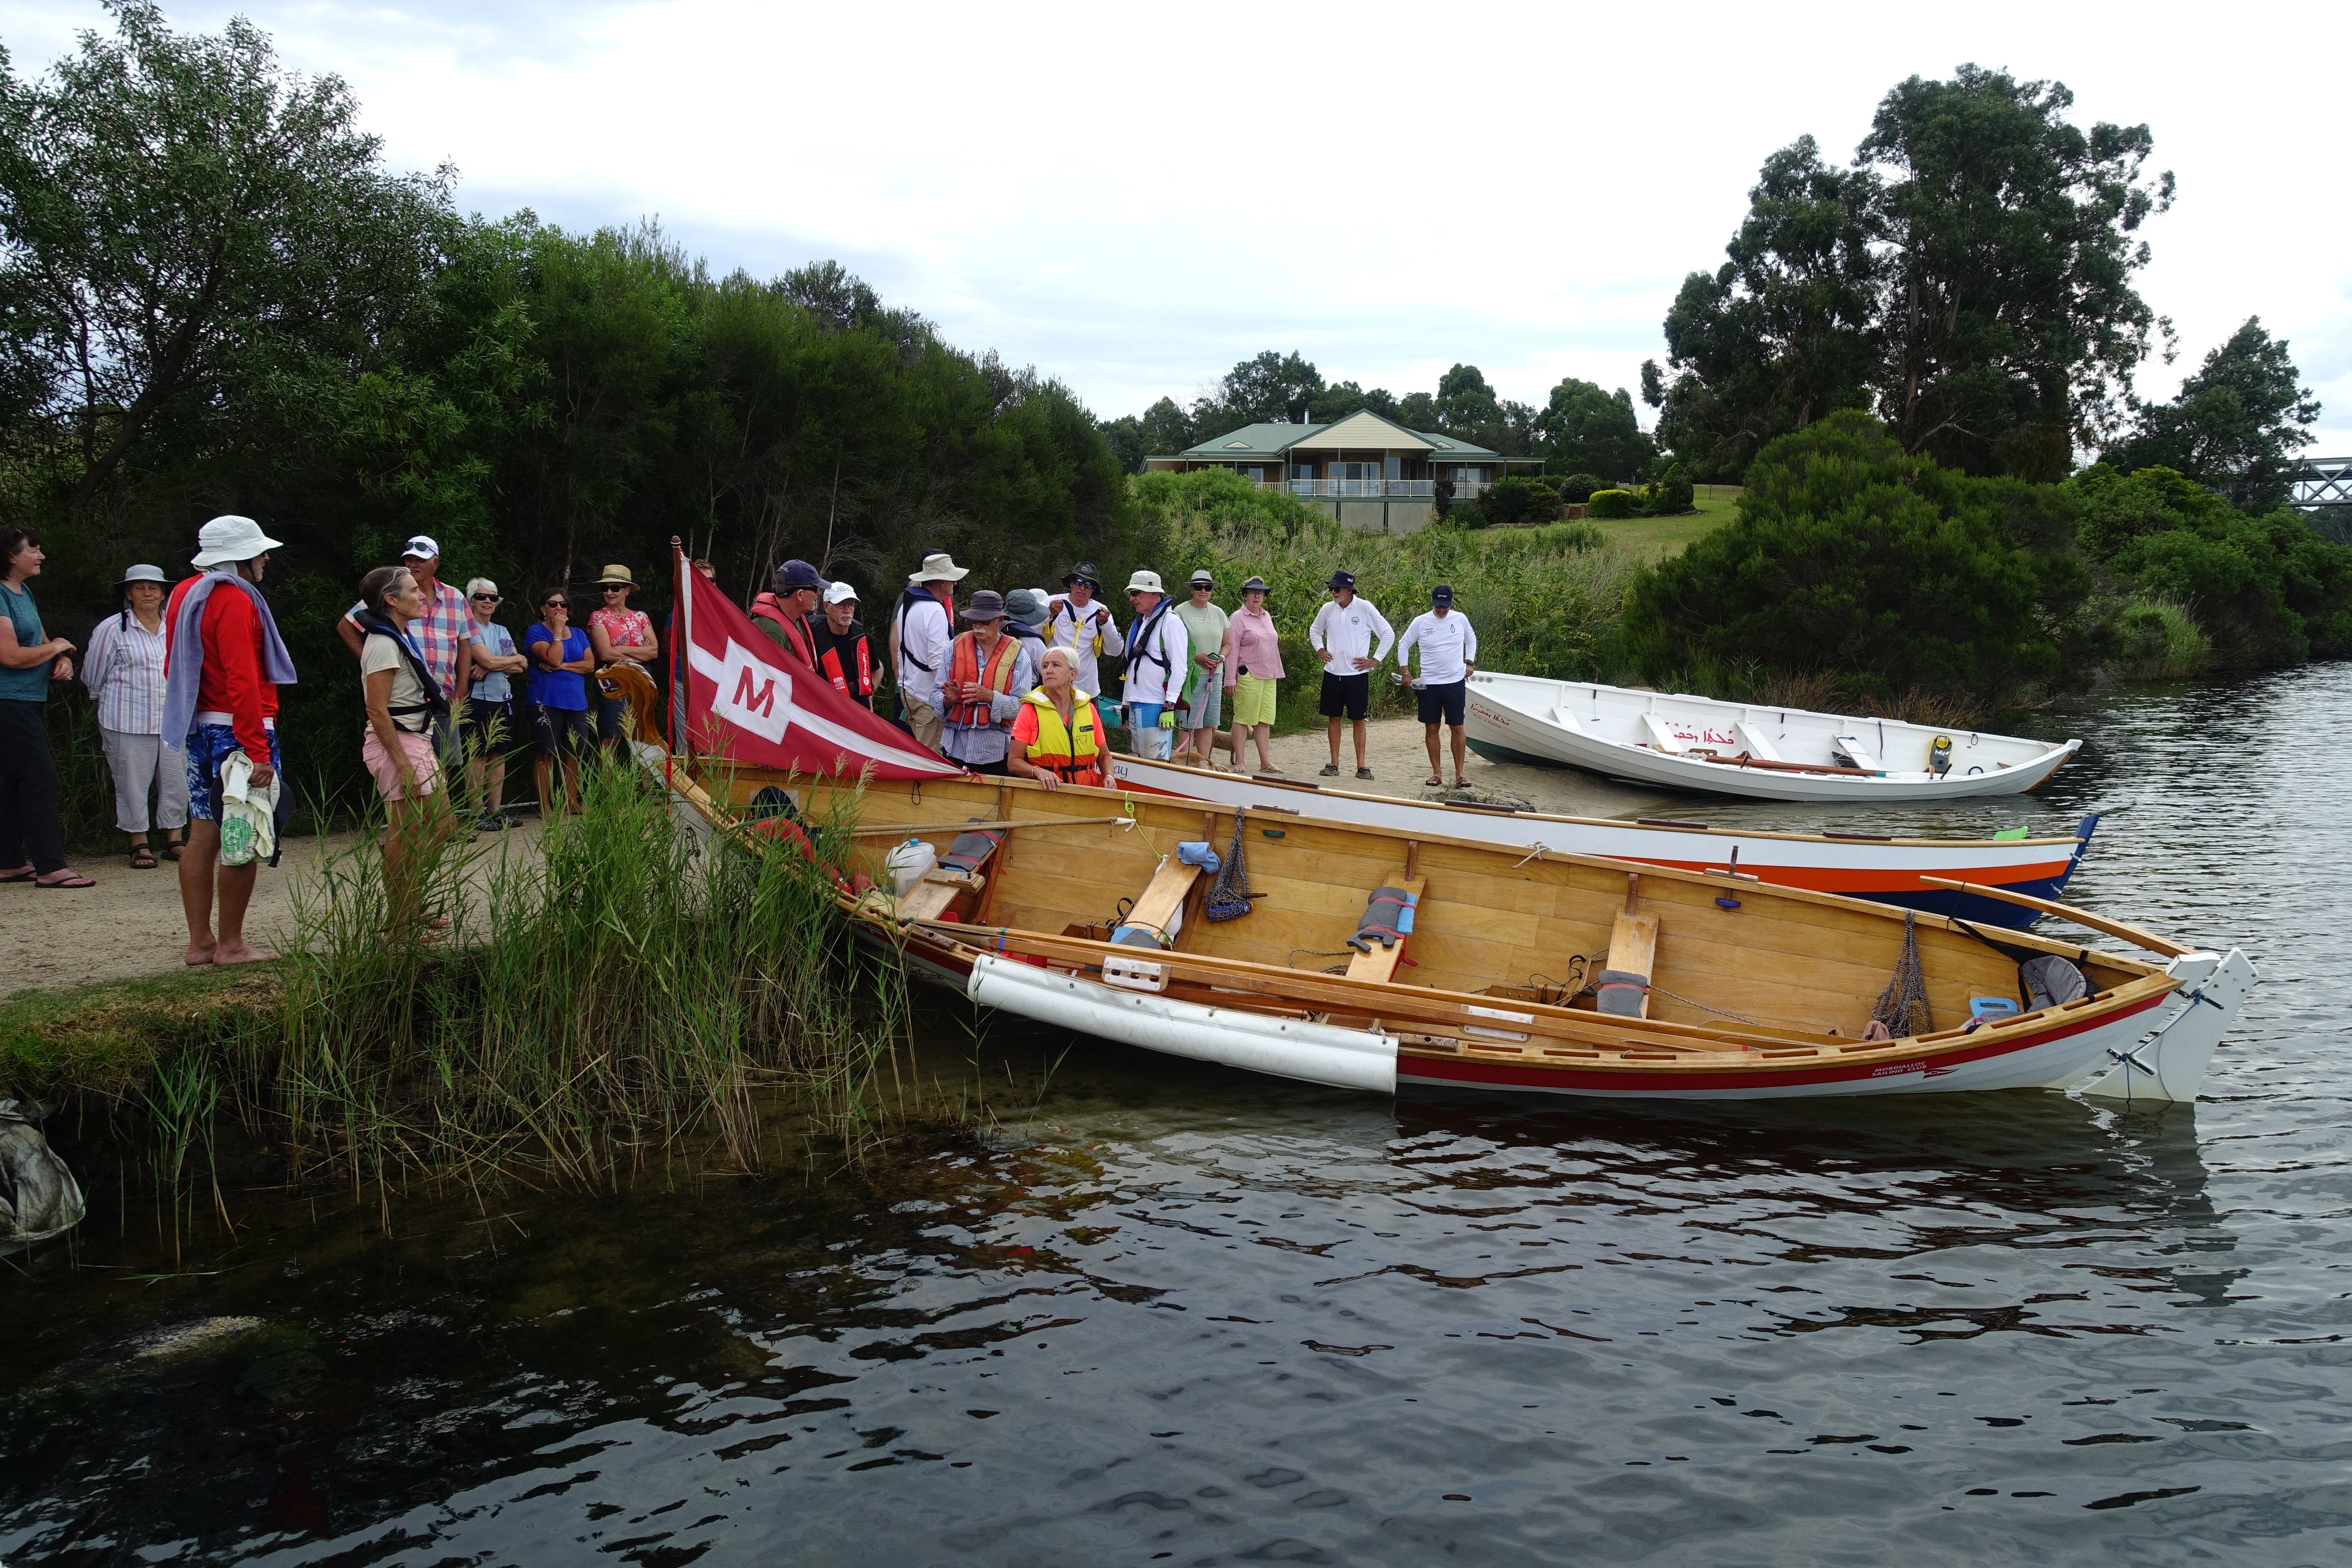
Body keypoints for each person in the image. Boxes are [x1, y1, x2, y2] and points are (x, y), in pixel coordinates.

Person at [162, 515, 298, 964]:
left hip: (199, 724)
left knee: (203, 833)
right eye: (259, 552)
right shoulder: (234, 598)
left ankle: (200, 942)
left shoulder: (185, 592)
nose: (265, 558)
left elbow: (173, 663)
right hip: (238, 729)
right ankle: (231, 945)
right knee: (243, 831)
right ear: (239, 557)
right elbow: (242, 677)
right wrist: (258, 750)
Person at [356, 564, 456, 937]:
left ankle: (412, 903)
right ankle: (401, 923)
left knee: (442, 825)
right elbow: (376, 709)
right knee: (407, 831)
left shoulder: (399, 636)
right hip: (398, 744)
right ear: (391, 600)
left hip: (416, 740)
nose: (422, 596)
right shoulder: (383, 644)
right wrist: (402, 764)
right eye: (413, 591)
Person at [0, 526, 91, 889]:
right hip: (8, 702)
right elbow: (11, 656)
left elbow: (41, 644)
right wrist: (57, 648)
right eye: (33, 550)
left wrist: (61, 657)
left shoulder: (23, 593)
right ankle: (51, 867)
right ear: (11, 556)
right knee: (40, 777)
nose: (41, 556)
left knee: (11, 780)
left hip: (29, 700)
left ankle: (7, 863)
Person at [82, 563, 190, 868]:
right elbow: (93, 674)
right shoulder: (113, 628)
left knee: (177, 780)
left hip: (173, 719)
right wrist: (104, 700)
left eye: (154, 587)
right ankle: (139, 842)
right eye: (140, 588)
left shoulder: (178, 625)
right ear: (129, 594)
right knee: (132, 783)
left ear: (164, 594)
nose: (147, 593)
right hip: (127, 719)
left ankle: (175, 839)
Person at [337, 534, 478, 726]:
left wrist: (462, 689)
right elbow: (346, 626)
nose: (413, 565)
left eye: (420, 560)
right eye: (409, 559)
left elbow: (464, 644)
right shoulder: (393, 594)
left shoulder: (455, 597)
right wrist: (374, 664)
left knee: (447, 748)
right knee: (405, 745)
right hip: (405, 701)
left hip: (444, 699)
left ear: (436, 563)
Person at [1308, 570, 1394, 780]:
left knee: (1358, 719)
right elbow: (1315, 630)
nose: (1333, 592)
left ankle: (1362, 766)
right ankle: (1334, 763)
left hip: (1357, 674)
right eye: (1331, 588)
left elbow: (1387, 633)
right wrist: (1320, 650)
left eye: (1337, 589)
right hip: (1333, 672)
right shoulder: (1328, 609)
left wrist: (1375, 660)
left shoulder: (1365, 608)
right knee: (1334, 718)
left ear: (1349, 590)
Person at [940, 589, 1036, 775]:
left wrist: (990, 696)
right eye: (974, 621)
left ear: (1000, 621)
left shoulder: (1018, 653)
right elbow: (935, 695)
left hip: (996, 751)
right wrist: (947, 700)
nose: (978, 627)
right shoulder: (954, 646)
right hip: (955, 747)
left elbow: (1021, 708)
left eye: (985, 622)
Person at [461, 578, 529, 830]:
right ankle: (476, 814)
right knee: (477, 756)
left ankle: (495, 812)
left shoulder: (501, 630)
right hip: (477, 699)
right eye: (481, 597)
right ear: (471, 601)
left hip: (503, 698)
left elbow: (522, 665)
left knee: (498, 756)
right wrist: (494, 663)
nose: (488, 601)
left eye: (492, 597)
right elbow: (492, 661)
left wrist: (489, 666)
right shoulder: (468, 628)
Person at [1397, 583, 1480, 789]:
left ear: (1451, 603)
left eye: (1445, 606)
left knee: (1457, 727)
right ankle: (1437, 773)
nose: (1441, 610)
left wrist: (1469, 662)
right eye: (1438, 606)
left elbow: (1471, 640)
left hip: (1454, 682)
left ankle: (1460, 774)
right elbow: (1404, 644)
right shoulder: (1421, 622)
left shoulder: (1460, 619)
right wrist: (1405, 672)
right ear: (1432, 603)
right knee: (1432, 727)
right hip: (1430, 684)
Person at [524, 588, 596, 817]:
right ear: (542, 609)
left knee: (575, 753)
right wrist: (556, 632)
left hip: (576, 702)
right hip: (546, 700)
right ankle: (545, 805)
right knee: (547, 752)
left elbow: (590, 665)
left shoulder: (578, 634)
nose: (558, 609)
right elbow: (554, 658)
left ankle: (571, 802)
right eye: (553, 604)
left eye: (563, 605)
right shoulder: (536, 632)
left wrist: (563, 666)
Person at [890, 551, 965, 751]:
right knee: (931, 758)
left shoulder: (908, 605)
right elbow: (938, 663)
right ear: (942, 582)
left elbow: (901, 650)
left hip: (909, 692)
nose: (955, 583)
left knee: (915, 753)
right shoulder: (934, 610)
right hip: (927, 698)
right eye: (951, 578)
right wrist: (949, 696)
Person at [1007, 646, 1104, 790]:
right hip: (1047, 793)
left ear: (1072, 675)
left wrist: (1109, 777)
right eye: (1045, 666)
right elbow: (1013, 762)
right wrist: (1037, 771)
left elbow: (1105, 756)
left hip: (1086, 793)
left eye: (1056, 665)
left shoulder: (1088, 708)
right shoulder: (1030, 710)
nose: (1048, 670)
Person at [587, 564, 659, 751]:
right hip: (613, 678)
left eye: (615, 588)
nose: (609, 592)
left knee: (644, 734)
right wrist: (639, 653)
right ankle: (606, 772)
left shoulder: (641, 617)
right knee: (612, 736)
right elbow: (606, 654)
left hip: (641, 678)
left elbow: (654, 651)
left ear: (627, 590)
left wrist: (620, 649)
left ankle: (642, 773)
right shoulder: (598, 617)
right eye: (605, 588)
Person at [1119, 570, 1188, 760]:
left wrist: (1169, 706)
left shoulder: (1171, 622)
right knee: (1140, 759)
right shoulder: (1142, 622)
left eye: (1136, 593)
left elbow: (1180, 668)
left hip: (1157, 704)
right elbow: (1133, 664)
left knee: (1156, 762)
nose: (1131, 599)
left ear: (1154, 594)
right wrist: (1126, 705)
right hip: (1137, 701)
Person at [1222, 575, 1284, 776]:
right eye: (1252, 593)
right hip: (1248, 674)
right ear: (1245, 596)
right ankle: (1240, 761)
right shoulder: (1238, 618)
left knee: (1264, 719)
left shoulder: (1266, 616)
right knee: (1243, 718)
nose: (1257, 597)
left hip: (1269, 674)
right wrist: (1230, 678)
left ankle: (1265, 761)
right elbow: (1232, 649)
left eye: (1260, 593)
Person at [1171, 568, 1229, 768]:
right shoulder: (1180, 612)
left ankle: (1205, 765)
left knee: (1208, 723)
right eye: (1199, 587)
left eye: (1208, 587)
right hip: (1193, 675)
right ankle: (1184, 763)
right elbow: (1176, 644)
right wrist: (1198, 658)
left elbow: (1228, 643)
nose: (1203, 591)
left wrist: (1221, 658)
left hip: (1215, 675)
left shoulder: (1219, 613)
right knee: (1189, 722)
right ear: (1192, 589)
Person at [1044, 563, 1124, 699]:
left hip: (1086, 690)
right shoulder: (1052, 602)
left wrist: (1105, 624)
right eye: (1078, 582)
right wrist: (1049, 614)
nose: (1082, 588)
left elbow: (1116, 651)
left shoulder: (1101, 611)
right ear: (1071, 583)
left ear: (1093, 590)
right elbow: (1030, 631)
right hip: (1054, 688)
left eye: (1089, 585)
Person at [811, 579, 878, 710]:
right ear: (827, 607)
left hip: (859, 706)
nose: (847, 610)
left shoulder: (863, 638)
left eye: (851, 605)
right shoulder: (813, 637)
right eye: (841, 605)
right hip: (826, 706)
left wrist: (870, 694)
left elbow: (877, 668)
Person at [750, 558, 823, 669]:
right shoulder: (771, 631)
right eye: (816, 589)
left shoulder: (796, 618)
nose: (819, 593)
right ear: (800, 595)